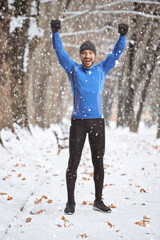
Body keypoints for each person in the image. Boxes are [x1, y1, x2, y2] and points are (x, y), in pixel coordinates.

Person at [51, 19, 128, 215]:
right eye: (84, 53)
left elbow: (116, 53)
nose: (87, 56)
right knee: (73, 162)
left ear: (94, 55)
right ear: (81, 56)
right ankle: (70, 202)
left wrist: (122, 36)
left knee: (98, 161)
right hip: (78, 122)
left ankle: (98, 200)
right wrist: (55, 32)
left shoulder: (101, 69)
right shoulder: (73, 70)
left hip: (97, 122)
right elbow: (60, 53)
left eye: (90, 53)